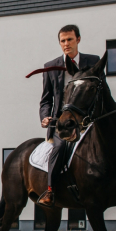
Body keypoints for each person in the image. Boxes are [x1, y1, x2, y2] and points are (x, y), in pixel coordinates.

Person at [38, 24, 100, 207]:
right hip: (62, 123)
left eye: (70, 39)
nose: (66, 43)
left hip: (88, 120)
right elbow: (46, 100)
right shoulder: (50, 67)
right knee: (60, 146)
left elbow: (100, 91)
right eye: (63, 41)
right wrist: (44, 117)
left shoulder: (93, 61)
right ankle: (50, 191)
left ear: (78, 40)